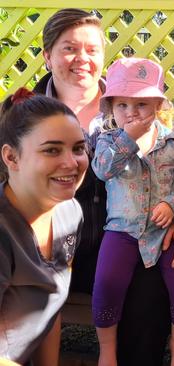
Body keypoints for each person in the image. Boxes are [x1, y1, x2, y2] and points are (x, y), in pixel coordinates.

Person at [33, 9, 174, 365]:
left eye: (92, 50)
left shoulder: (133, 107)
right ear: (47, 56)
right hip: (57, 246)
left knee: (148, 297)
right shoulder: (26, 114)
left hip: (142, 237)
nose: (82, 59)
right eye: (69, 48)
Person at [91, 58, 174, 366]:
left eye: (141, 104)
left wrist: (172, 205)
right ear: (111, 108)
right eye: (122, 105)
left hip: (165, 233)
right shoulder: (108, 140)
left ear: (157, 104)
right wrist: (128, 140)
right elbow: (101, 170)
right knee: (107, 283)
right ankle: (107, 351)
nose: (131, 112)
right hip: (122, 230)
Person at [0, 89, 88, 364]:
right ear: (11, 158)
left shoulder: (69, 213)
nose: (71, 163)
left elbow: (51, 308)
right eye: (52, 149)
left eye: (78, 148)